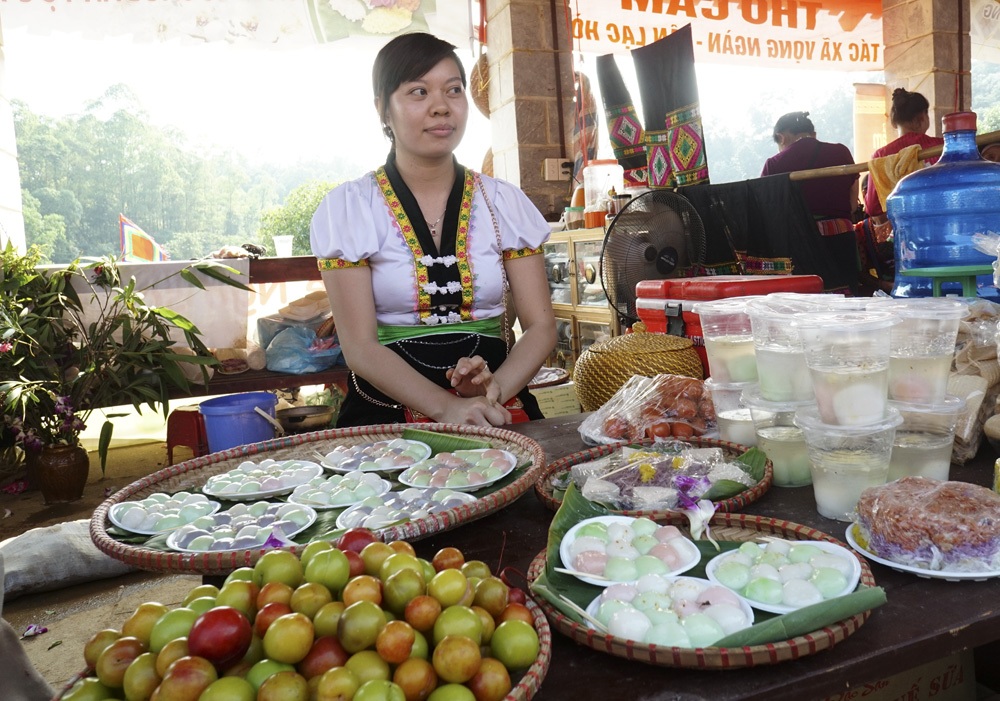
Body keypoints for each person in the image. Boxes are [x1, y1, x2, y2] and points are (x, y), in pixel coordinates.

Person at [311, 33, 557, 428]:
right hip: (385, 410)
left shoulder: (502, 203)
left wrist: (493, 391)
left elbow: (541, 326)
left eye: (453, 90)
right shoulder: (352, 208)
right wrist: (448, 409)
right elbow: (359, 347)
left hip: (495, 401)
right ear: (383, 110)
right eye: (418, 92)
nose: (441, 107)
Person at [761, 111, 860, 292]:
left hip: (800, 246)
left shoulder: (773, 164)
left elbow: (768, 214)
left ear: (781, 138)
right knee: (846, 297)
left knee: (809, 301)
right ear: (813, 134)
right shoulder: (841, 151)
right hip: (842, 239)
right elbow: (853, 204)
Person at [864, 88, 943, 222]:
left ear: (895, 121)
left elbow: (872, 207)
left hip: (904, 228)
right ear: (922, 117)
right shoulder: (942, 146)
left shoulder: (881, 156)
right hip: (942, 222)